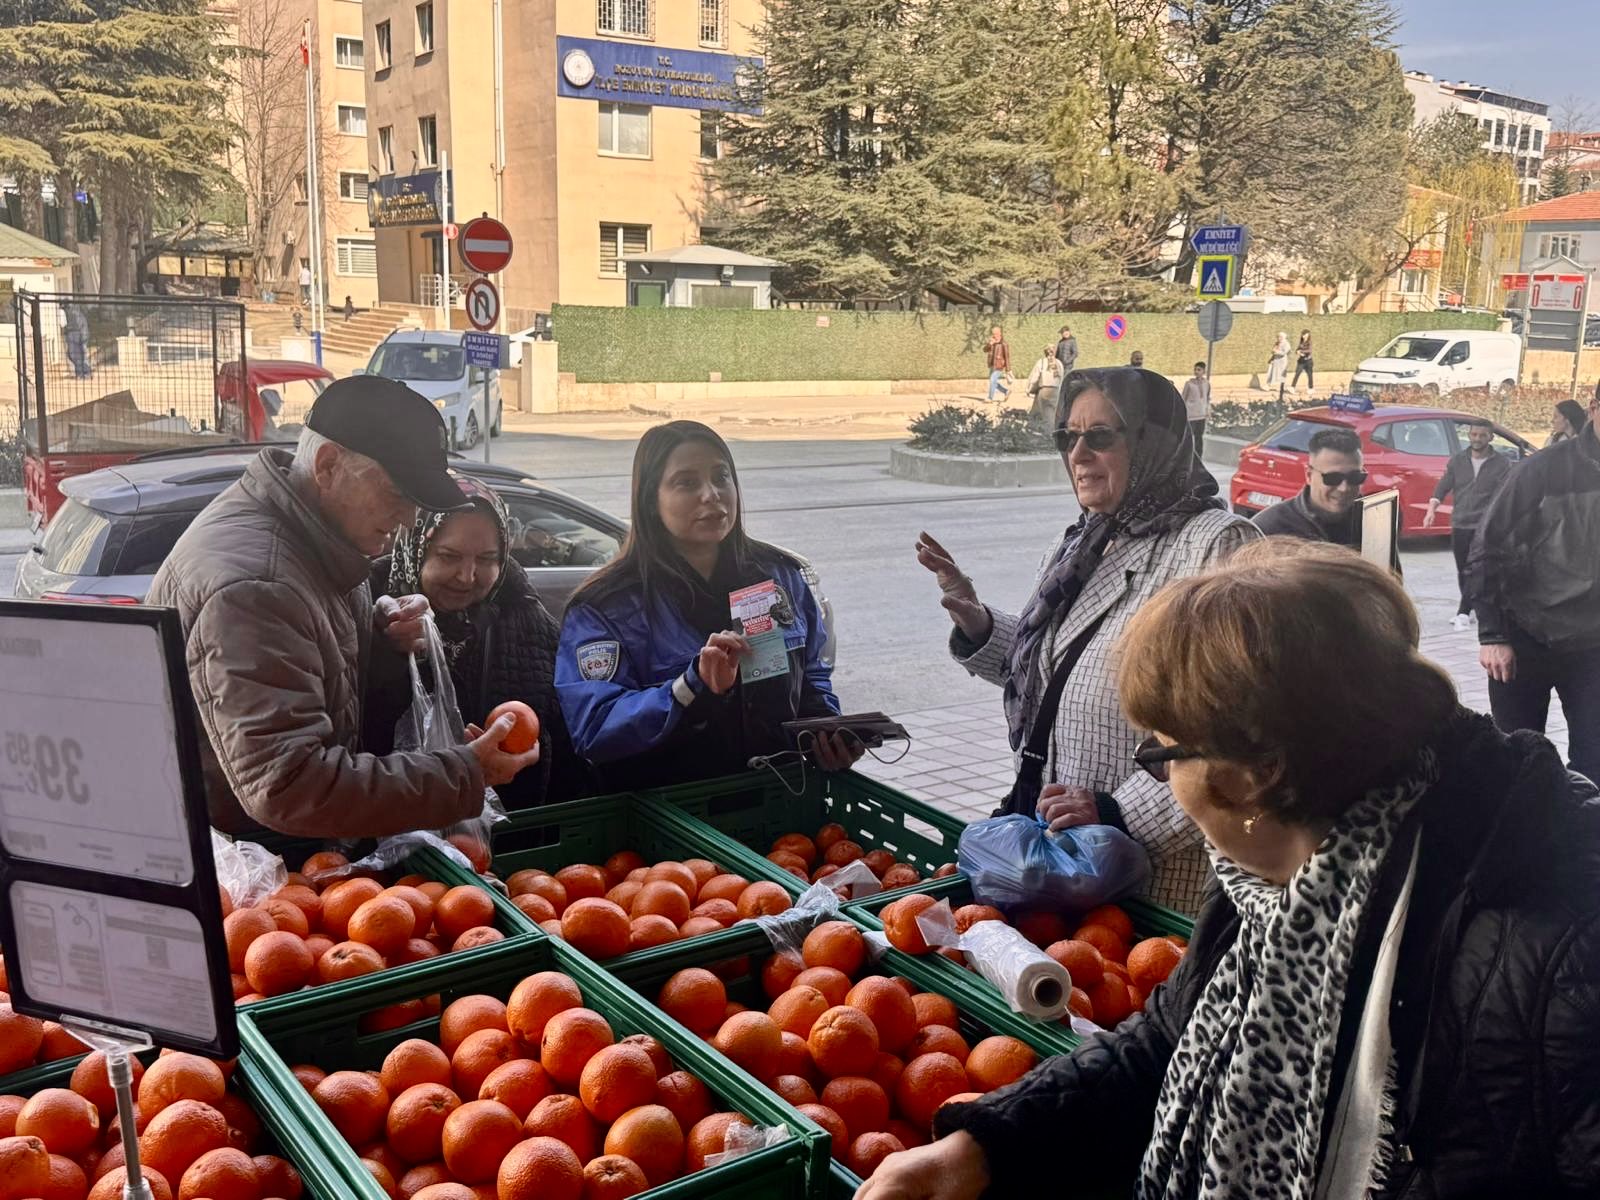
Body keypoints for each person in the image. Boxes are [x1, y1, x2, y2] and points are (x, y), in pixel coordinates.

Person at [861, 540, 1600, 1200]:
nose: (1153, 777)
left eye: (1158, 754)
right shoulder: (1270, 879)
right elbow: (1165, 1044)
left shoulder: (1558, 947)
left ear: (1256, 775)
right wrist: (983, 1145)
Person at [915, 368, 1259, 914]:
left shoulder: (1217, 548)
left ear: (1153, 442)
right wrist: (979, 622)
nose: (1078, 454)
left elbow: (1237, 734)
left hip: (1154, 885)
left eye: (1100, 437)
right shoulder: (1082, 540)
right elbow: (1057, 668)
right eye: (1067, 437)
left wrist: (1118, 811)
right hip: (1062, 866)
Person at [147, 376, 541, 837]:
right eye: (398, 495)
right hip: (252, 867)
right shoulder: (259, 585)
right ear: (329, 464)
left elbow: (317, 688)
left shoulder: (321, 538)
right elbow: (290, 785)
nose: (409, 520)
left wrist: (383, 644)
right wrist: (465, 772)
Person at [557, 420, 856, 791]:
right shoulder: (605, 606)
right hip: (671, 826)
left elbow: (812, 676)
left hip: (783, 813)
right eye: (686, 482)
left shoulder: (780, 577)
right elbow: (594, 727)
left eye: (721, 476)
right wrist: (687, 687)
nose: (711, 494)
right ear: (651, 499)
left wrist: (826, 732)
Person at [365, 476, 589, 808]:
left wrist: (533, 755)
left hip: (507, 841)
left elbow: (565, 744)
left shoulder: (531, 623)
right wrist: (385, 652)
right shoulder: (365, 614)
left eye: (486, 559)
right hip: (392, 833)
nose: (467, 576)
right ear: (416, 548)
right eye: (449, 556)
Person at [1467, 384, 1600, 784]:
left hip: (1593, 647)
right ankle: (1519, 839)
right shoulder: (1541, 470)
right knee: (1517, 760)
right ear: (1594, 408)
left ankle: (1584, 841)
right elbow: (1486, 549)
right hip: (1524, 639)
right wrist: (1492, 635)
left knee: (1595, 761)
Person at [1423, 420, 1512, 629]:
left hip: (1485, 525)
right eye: (1474, 435)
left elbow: (1505, 494)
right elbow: (1443, 486)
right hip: (1461, 522)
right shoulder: (1458, 461)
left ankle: (1463, 611)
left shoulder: (1501, 463)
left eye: (1482, 435)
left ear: (1491, 437)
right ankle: (1472, 607)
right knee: (1463, 569)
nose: (1477, 439)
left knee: (1478, 569)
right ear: (1469, 435)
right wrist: (1431, 510)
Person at [1251, 426, 1363, 546]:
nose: (1344, 488)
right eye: (1333, 478)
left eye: (1354, 477)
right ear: (1309, 475)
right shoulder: (1267, 530)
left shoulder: (1375, 521)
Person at [1024, 344, 1064, 432]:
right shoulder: (1059, 363)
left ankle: (1049, 432)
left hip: (1044, 390)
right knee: (1053, 412)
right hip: (1056, 390)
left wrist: (1028, 388)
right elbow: (1061, 378)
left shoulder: (1041, 362)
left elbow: (1035, 377)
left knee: (1046, 413)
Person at [1180, 361, 1209, 455]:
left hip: (1201, 415)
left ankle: (1198, 457)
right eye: (1195, 369)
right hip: (1191, 415)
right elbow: (1183, 398)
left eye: (1199, 370)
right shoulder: (1189, 384)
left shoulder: (1206, 384)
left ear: (1204, 371)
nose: (1196, 372)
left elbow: (1207, 398)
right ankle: (1186, 456)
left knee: (1199, 437)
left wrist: (1207, 410)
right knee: (1188, 438)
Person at [984, 327, 1011, 403]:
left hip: (999, 365)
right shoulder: (992, 342)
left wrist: (1008, 369)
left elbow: (1007, 357)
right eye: (993, 334)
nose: (994, 335)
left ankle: (990, 398)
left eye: (995, 334)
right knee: (993, 381)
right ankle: (1006, 391)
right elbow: (984, 350)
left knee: (992, 379)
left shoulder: (1004, 344)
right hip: (992, 365)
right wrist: (990, 344)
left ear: (999, 333)